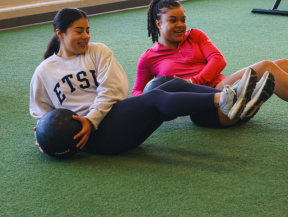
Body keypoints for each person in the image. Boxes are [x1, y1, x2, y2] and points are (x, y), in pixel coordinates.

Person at [30, 8, 257, 155]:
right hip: (94, 139)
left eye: (87, 30)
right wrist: (45, 135)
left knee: (171, 84)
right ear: (60, 34)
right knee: (157, 96)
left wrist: (92, 118)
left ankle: (235, 98)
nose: (86, 36)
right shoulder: (44, 71)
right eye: (78, 31)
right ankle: (226, 99)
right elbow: (41, 113)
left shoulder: (97, 51)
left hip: (112, 122)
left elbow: (114, 91)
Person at [132, 0, 277, 127]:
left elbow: (218, 60)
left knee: (274, 65)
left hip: (223, 87)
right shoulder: (148, 58)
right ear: (158, 23)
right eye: (173, 20)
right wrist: (154, 96)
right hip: (203, 108)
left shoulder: (195, 35)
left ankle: (244, 99)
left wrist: (193, 81)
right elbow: (136, 92)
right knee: (265, 67)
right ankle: (245, 97)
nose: (180, 25)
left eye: (183, 20)